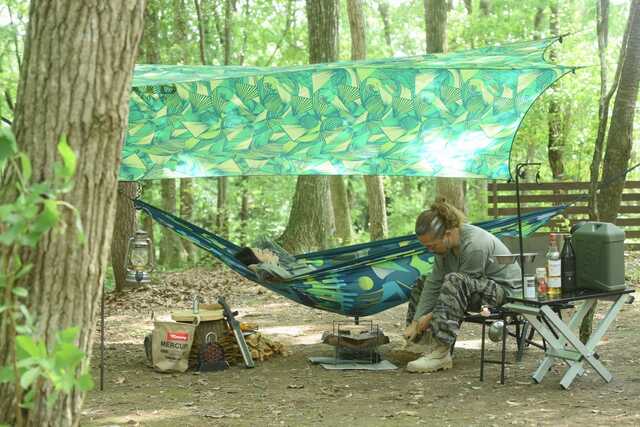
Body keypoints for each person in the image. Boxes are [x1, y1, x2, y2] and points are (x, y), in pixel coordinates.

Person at [404, 200, 521, 373]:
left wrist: (429, 317)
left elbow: (460, 287)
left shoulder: (474, 245)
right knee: (424, 280)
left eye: (432, 245)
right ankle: (418, 345)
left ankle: (441, 353)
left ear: (448, 234)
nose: (430, 250)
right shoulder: (443, 248)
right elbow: (434, 283)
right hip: (472, 288)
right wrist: (416, 321)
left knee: (454, 280)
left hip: (504, 293)